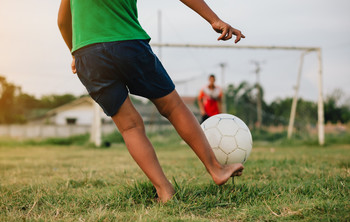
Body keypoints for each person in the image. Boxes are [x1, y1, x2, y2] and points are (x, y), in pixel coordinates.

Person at [58, 0, 246, 203]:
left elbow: (62, 21)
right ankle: (216, 169)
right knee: (173, 107)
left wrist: (75, 52)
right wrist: (214, 19)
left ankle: (165, 191)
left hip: (87, 54)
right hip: (127, 42)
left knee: (129, 127)